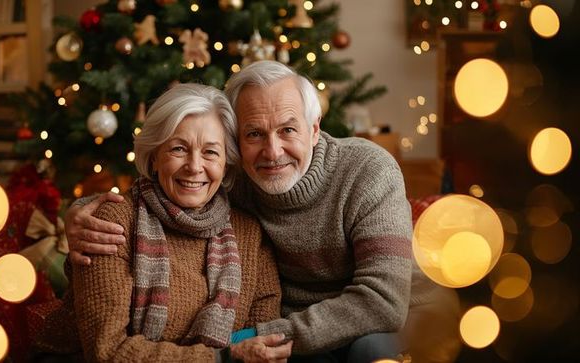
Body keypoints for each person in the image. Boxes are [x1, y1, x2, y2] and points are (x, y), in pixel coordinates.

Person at [65, 61, 456, 363]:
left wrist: (245, 342)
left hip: (395, 317)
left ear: (315, 129)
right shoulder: (236, 184)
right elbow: (167, 196)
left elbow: (381, 303)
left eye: (288, 130)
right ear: (237, 141)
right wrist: (83, 213)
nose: (272, 152)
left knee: (371, 353)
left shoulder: (367, 170)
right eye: (254, 134)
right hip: (291, 336)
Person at [33, 83, 293, 362]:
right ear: (154, 156)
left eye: (210, 152)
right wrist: (220, 358)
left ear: (226, 163)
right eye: (179, 148)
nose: (194, 166)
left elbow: (260, 339)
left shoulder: (248, 233)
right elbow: (108, 352)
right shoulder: (113, 221)